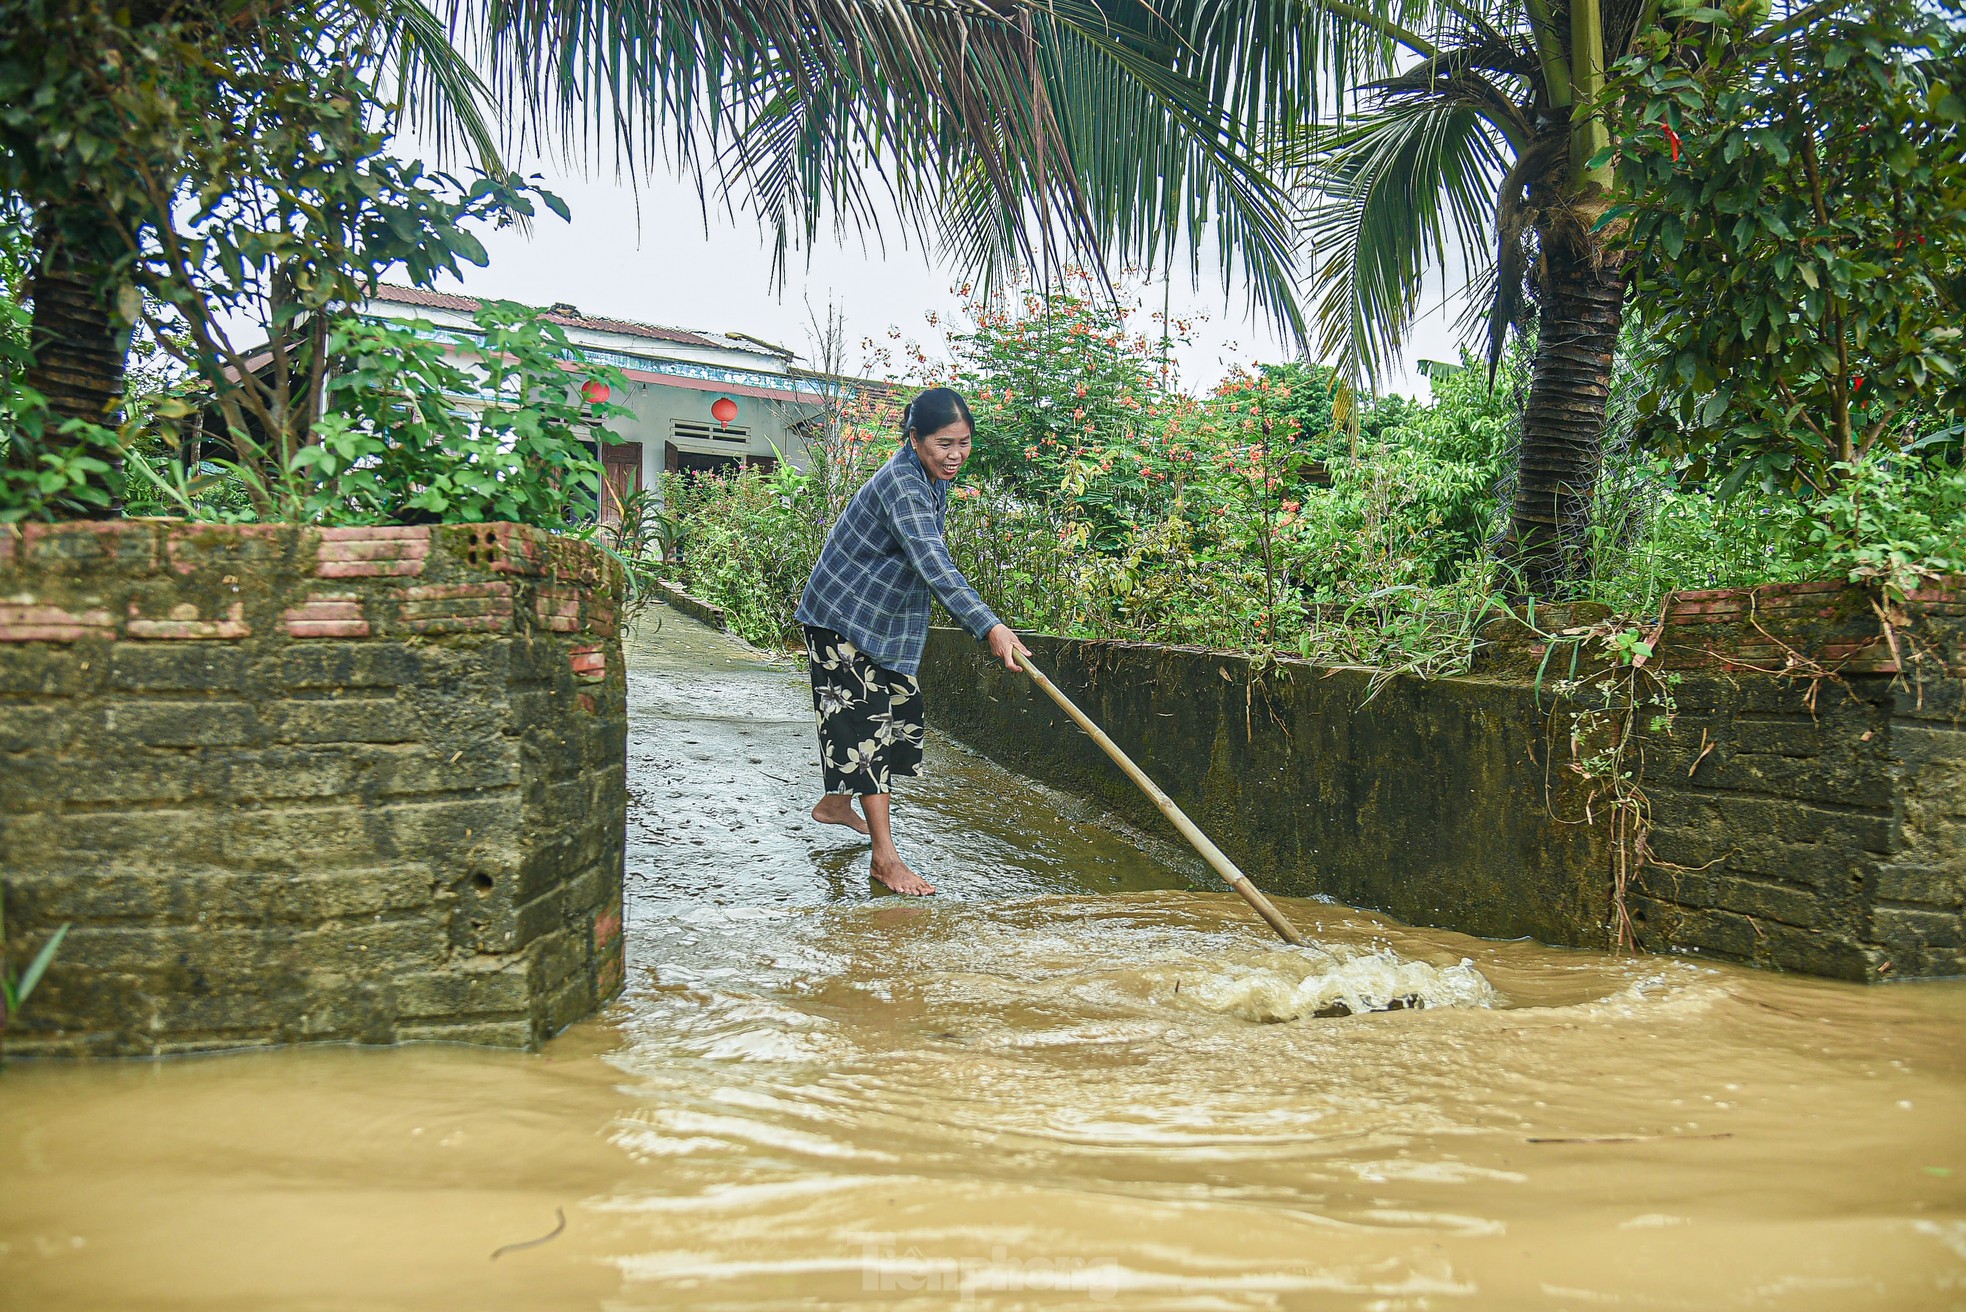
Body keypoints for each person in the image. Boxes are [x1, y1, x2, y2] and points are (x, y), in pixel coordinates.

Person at [795, 386, 1030, 895]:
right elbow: (933, 563)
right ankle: (885, 858)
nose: (956, 455)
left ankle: (835, 804)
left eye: (964, 443)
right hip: (842, 616)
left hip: (878, 621)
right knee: (866, 729)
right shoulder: (904, 483)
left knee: (894, 716)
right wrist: (989, 624)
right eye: (945, 443)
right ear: (914, 438)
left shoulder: (930, 476)